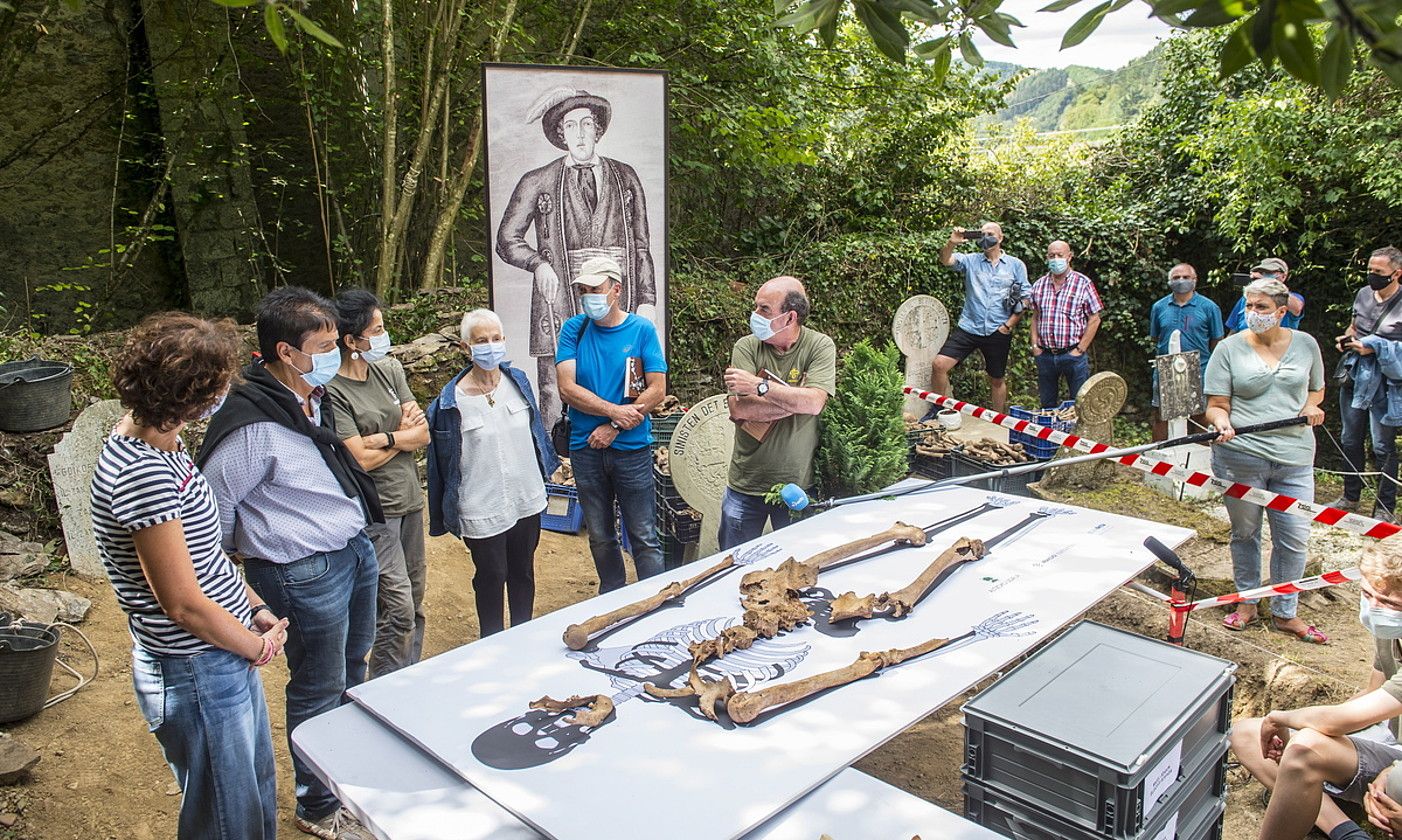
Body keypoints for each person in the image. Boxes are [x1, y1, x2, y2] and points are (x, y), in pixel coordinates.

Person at [91, 313, 287, 840]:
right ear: (192, 396)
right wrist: (254, 646)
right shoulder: (144, 473)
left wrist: (256, 608)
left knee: (250, 791)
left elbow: (203, 555)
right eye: (219, 384)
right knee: (227, 817)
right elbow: (181, 602)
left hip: (218, 653)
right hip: (196, 665)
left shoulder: (164, 447)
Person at [199, 287, 381, 840]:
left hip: (351, 551)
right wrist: (260, 554)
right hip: (300, 570)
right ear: (285, 351)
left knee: (352, 669)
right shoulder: (251, 423)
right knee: (317, 685)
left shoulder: (311, 396)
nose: (335, 352)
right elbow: (211, 513)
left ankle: (341, 770)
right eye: (323, 345)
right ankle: (319, 802)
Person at [497, 87, 658, 430]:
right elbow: (506, 239)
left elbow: (641, 245)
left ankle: (623, 439)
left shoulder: (625, 176)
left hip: (619, 298)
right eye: (571, 126)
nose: (581, 133)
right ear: (560, 133)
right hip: (559, 301)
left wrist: (647, 301)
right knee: (557, 385)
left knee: (628, 374)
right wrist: (538, 264)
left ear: (598, 130)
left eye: (587, 124)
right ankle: (561, 462)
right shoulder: (537, 180)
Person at [1229, 537, 1402, 840]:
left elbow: (1341, 720)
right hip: (1392, 742)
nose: (1374, 607)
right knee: (1245, 735)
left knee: (1307, 748)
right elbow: (1370, 696)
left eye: (1389, 603)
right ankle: (1346, 833)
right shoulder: (1391, 630)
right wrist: (1323, 731)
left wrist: (1281, 718)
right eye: (1367, 594)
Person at [1205, 278, 1327, 644]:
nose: (1252, 314)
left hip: (1294, 458)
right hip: (1241, 456)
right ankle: (1247, 602)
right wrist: (1222, 423)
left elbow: (1316, 390)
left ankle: (1285, 611)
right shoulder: (1228, 349)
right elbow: (1216, 405)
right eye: (1249, 307)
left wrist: (1310, 406)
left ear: (1280, 310)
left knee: (1294, 537)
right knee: (1245, 533)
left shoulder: (1306, 345)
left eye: (1261, 307)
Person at [426, 308, 559, 636]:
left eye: (496, 339)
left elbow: (535, 433)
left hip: (524, 497)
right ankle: (492, 641)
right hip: (480, 504)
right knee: (491, 575)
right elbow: (440, 464)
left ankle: (522, 636)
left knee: (523, 572)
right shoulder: (449, 403)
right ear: (464, 347)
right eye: (481, 341)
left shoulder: (519, 383)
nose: (490, 346)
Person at [326, 290, 429, 676]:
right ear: (351, 341)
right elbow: (357, 459)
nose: (385, 337)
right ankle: (381, 686)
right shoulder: (332, 392)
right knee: (396, 605)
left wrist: (385, 438)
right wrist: (401, 437)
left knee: (414, 599)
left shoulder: (389, 370)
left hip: (409, 500)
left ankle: (408, 676)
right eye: (377, 329)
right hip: (373, 510)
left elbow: (423, 435)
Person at [556, 255, 667, 593]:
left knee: (643, 533)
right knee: (601, 535)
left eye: (596, 289)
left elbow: (657, 389)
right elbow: (567, 387)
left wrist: (615, 426)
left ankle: (653, 598)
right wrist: (613, 411)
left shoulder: (642, 330)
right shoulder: (574, 329)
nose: (589, 295)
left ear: (616, 290)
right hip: (585, 449)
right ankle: (613, 595)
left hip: (631, 449)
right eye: (584, 290)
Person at [719, 277, 836, 550]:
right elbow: (740, 408)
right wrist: (797, 398)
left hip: (797, 486)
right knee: (731, 566)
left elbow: (815, 404)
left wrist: (758, 386)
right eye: (756, 307)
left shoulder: (819, 346)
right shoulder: (746, 346)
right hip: (745, 485)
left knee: (795, 568)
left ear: (790, 317)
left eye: (764, 309)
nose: (754, 315)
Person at [1330, 246, 1402, 522]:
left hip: (1386, 382)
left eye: (1378, 272)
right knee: (1350, 439)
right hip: (1355, 374)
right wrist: (1345, 339)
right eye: (1370, 270)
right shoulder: (1362, 294)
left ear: (1396, 273)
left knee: (1383, 445)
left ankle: (1385, 507)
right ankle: (1350, 496)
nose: (1372, 275)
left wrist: (1375, 348)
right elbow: (1353, 326)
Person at [930, 222, 1030, 412]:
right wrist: (951, 243)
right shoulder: (970, 260)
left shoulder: (1015, 265)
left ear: (1000, 238)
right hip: (969, 327)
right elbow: (946, 260)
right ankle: (938, 411)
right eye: (982, 234)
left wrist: (1008, 325)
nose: (986, 237)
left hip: (997, 329)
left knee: (997, 379)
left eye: (991, 234)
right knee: (939, 364)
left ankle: (998, 419)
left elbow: (1026, 297)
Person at [1149, 263, 1225, 440]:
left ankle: (1198, 459)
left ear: (1195, 280)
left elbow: (1216, 340)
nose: (1181, 281)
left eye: (1185, 277)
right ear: (1169, 281)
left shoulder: (1209, 307)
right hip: (1165, 370)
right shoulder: (1159, 307)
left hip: (1200, 369)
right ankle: (1157, 458)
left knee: (1199, 417)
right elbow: (1156, 336)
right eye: (1176, 278)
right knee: (1162, 415)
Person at [1026, 239, 1102, 408]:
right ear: (1046, 257)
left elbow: (1094, 318)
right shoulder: (1039, 285)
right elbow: (1035, 316)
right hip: (1045, 355)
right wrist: (1035, 346)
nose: (1055, 259)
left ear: (1069, 257)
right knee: (1047, 404)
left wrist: (1080, 349)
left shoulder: (1083, 284)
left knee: (1080, 405)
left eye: (1060, 255)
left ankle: (1076, 435)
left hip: (1073, 354)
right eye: (1051, 255)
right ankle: (1050, 434)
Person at [1225, 257, 1306, 333]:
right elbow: (1233, 329)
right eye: (1261, 272)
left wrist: (1272, 284)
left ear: (1283, 276)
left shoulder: (1291, 298)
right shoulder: (1247, 298)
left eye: (1268, 273)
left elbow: (1297, 308)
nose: (1263, 275)